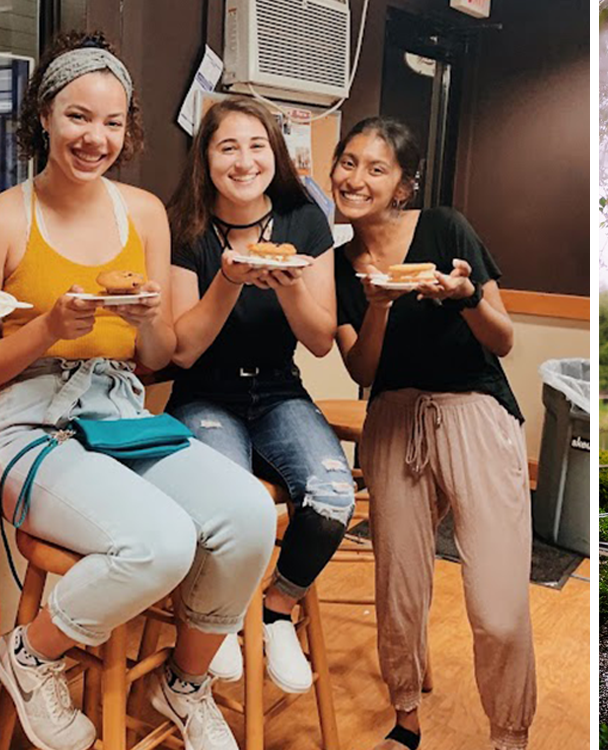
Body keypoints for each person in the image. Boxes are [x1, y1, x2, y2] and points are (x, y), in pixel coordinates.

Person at [0, 33, 274, 750]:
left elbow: (159, 358)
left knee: (249, 514)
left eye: (111, 121)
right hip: (25, 425)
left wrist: (168, 311)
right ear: (43, 114)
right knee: (159, 541)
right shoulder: (0, 220)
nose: (94, 137)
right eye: (77, 117)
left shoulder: (144, 214)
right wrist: (49, 331)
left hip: (122, 411)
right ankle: (31, 653)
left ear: (128, 128)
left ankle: (183, 685)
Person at [331, 116, 534, 750]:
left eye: (376, 168)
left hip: (473, 409)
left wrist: (468, 296)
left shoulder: (446, 228)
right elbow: (362, 368)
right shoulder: (340, 266)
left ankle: (508, 732)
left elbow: (503, 339)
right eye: (348, 161)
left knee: (498, 607)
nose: (355, 178)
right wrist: (381, 307)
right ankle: (406, 717)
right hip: (392, 417)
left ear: (402, 186)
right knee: (399, 587)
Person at [165, 97, 354, 693]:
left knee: (331, 497)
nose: (244, 161)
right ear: (206, 157)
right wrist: (228, 279)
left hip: (278, 392)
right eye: (228, 147)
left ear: (276, 153)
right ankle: (213, 621)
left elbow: (321, 341)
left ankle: (275, 610)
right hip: (203, 398)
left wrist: (292, 287)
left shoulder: (304, 220)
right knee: (231, 504)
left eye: (257, 146)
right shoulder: (185, 226)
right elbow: (182, 351)